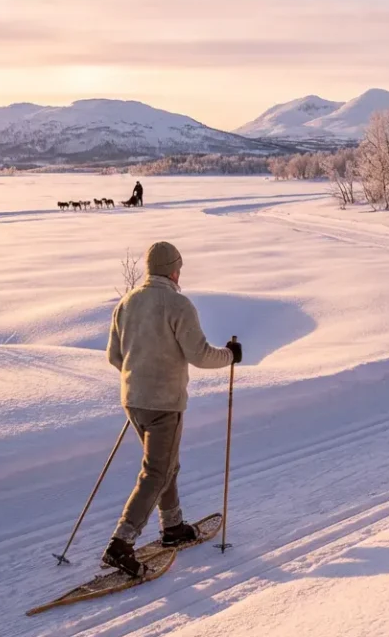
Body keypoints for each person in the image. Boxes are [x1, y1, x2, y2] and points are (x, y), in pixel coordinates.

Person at [101, 241, 242, 577]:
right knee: (157, 472)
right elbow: (200, 355)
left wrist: (140, 376)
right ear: (174, 269)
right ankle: (121, 544)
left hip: (133, 399)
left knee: (165, 465)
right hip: (164, 402)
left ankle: (173, 527)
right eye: (179, 267)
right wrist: (231, 355)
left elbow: (114, 356)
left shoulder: (127, 302)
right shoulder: (178, 304)